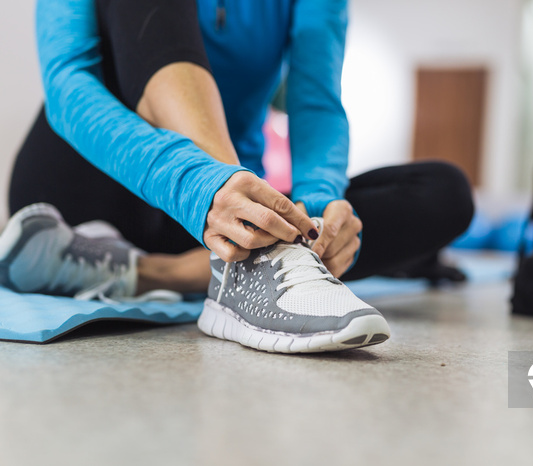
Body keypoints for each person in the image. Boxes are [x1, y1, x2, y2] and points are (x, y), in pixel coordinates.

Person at [1, 0, 473, 352]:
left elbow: (315, 99)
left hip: (217, 223)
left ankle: (173, 271)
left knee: (444, 192)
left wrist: (319, 203)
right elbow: (67, 83)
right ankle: (251, 251)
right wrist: (204, 186)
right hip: (87, 185)